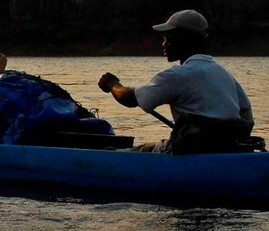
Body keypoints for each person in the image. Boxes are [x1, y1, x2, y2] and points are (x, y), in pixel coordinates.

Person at [98, 10, 254, 154]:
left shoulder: (177, 75)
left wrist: (112, 84)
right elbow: (247, 117)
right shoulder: (223, 74)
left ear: (182, 38)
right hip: (226, 151)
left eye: (167, 37)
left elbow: (130, 99)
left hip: (190, 153)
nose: (164, 43)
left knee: (120, 152)